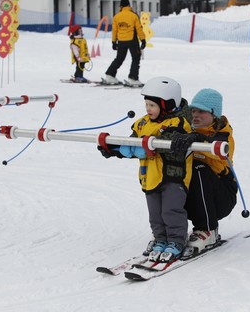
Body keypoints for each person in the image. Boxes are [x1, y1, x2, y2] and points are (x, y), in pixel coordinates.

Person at [98, 77, 193, 262]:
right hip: (149, 176)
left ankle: (175, 241)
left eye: (152, 105)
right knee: (155, 213)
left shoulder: (179, 124)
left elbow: (168, 144)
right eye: (146, 104)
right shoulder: (142, 123)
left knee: (171, 211)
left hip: (173, 177)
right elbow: (133, 145)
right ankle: (160, 239)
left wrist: (150, 145)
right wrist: (114, 148)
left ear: (167, 105)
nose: (148, 109)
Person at [171, 89, 238, 254]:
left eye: (201, 111)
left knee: (199, 168)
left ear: (214, 114)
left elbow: (220, 151)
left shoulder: (223, 135)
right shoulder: (189, 132)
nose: (195, 115)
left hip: (221, 196)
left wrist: (199, 139)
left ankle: (208, 229)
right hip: (195, 195)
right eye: (193, 110)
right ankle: (170, 230)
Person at [104, 0, 146, 86]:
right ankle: (133, 78)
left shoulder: (117, 16)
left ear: (121, 6)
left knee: (119, 58)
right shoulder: (133, 15)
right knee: (135, 58)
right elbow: (139, 28)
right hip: (132, 40)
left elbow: (114, 30)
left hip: (121, 41)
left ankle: (110, 75)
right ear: (128, 5)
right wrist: (143, 40)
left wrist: (114, 42)